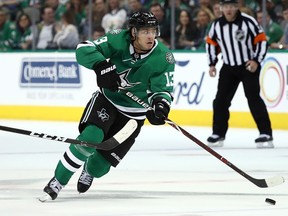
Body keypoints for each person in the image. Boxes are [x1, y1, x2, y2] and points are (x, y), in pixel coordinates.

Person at [39, 9, 175, 202]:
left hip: (134, 116)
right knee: (90, 138)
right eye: (145, 31)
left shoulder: (164, 57)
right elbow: (83, 49)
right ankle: (57, 182)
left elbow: (162, 90)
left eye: (153, 31)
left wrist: (160, 106)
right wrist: (101, 66)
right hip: (108, 101)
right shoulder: (118, 39)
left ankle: (89, 170)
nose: (151, 36)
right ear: (134, 32)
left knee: (100, 167)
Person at [205, 0, 273, 148]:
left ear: (237, 7)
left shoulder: (248, 22)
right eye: (225, 6)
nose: (228, 9)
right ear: (221, 8)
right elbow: (211, 43)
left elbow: (262, 41)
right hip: (228, 67)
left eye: (232, 6)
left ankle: (265, 133)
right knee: (220, 101)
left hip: (248, 66)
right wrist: (212, 63)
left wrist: (256, 61)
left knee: (253, 98)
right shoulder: (217, 25)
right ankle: (218, 133)